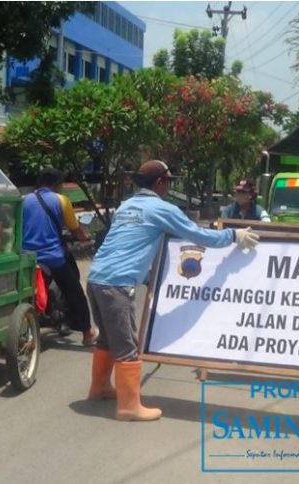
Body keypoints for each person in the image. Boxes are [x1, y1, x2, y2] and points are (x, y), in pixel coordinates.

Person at [86, 160, 260, 421]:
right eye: (168, 182)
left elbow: (128, 246)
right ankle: (128, 407)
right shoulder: (161, 209)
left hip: (96, 277)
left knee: (107, 340)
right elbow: (198, 236)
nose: (169, 187)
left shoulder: (126, 206)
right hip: (116, 284)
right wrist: (233, 237)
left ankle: (99, 387)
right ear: (159, 183)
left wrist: (148, 277)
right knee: (127, 347)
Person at [22, 167, 98, 345]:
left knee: (25, 293)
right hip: (52, 257)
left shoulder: (24, 200)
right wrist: (85, 236)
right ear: (57, 184)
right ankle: (87, 334)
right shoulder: (61, 200)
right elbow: (75, 228)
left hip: (27, 256)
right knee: (75, 292)